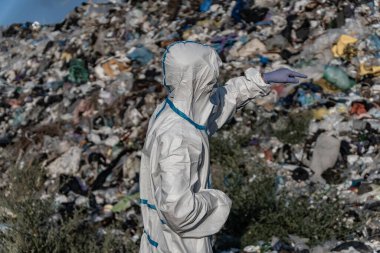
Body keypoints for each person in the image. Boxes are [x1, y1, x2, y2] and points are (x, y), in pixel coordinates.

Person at [139, 41, 307, 253]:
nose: (212, 87)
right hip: (180, 245)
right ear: (194, 81)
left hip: (162, 238)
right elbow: (178, 210)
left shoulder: (173, 110)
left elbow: (221, 100)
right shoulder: (179, 136)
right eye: (209, 82)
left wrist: (263, 80)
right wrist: (217, 200)